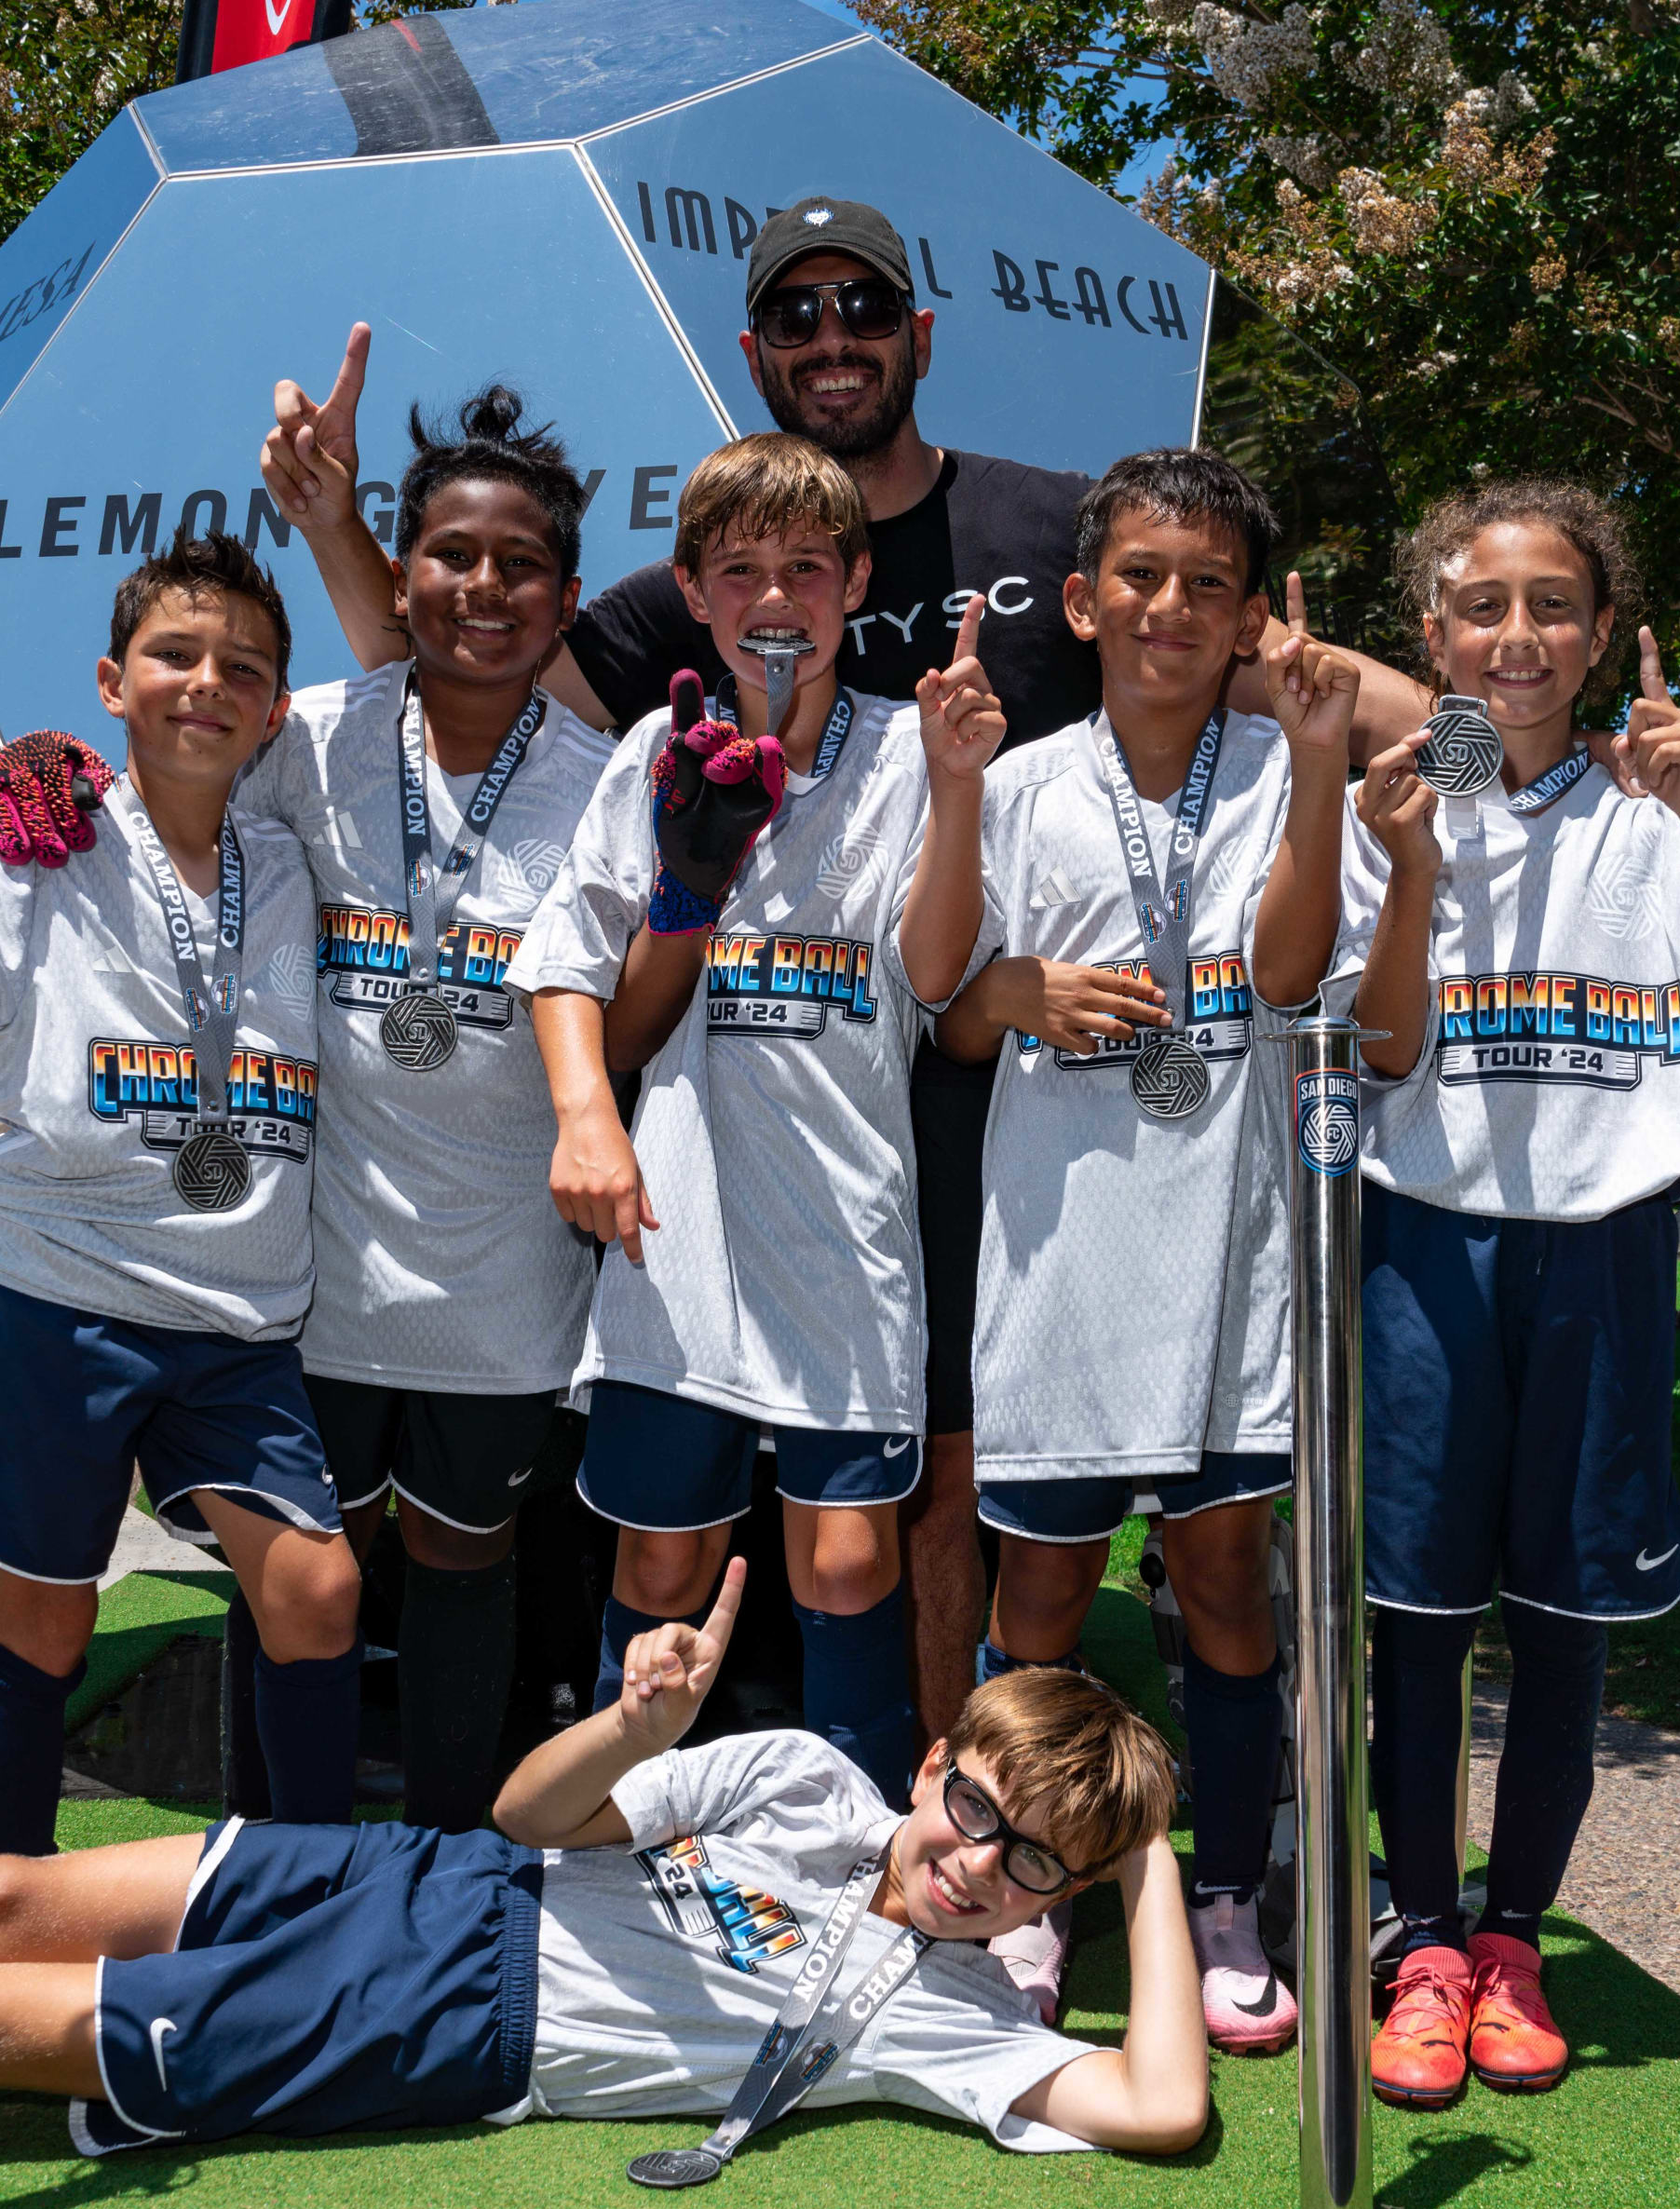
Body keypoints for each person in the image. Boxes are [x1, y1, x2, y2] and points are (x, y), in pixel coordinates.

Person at [264, 198, 1432, 1745]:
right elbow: (474, 676)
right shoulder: (660, 715)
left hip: (958, 1137)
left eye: (863, 308)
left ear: (916, 336)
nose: (834, 337)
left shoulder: (1052, 530)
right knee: (684, 1549)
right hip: (718, 1180)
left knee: (910, 1517)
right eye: (797, 315)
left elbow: (1236, 644)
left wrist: (1508, 722)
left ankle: (917, 1817)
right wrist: (337, 530)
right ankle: (636, 1830)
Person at [0, 1565, 1211, 2167]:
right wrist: (635, 1723)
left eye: (1030, 1867)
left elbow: (1157, 2108)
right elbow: (529, 1818)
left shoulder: (953, 2015)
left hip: (449, 2021)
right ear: (934, 1761)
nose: (978, 1864)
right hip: (433, 1882)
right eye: (977, 1807)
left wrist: (1145, 1864)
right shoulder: (800, 1782)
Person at [1293, 481, 1680, 2110]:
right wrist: (1409, 870)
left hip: (1605, 1244)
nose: (1520, 635)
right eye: (1485, 606)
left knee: (1567, 1615)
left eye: (1554, 604)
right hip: (1431, 1238)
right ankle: (1424, 1941)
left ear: (1602, 629)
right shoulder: (1392, 805)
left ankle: (1514, 1936)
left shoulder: (1657, 804)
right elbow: (1382, 1048)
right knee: (1420, 1617)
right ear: (1433, 634)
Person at [0, 535, 361, 1858]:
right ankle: (7, 1896)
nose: (208, 681)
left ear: (275, 709)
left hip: (240, 1312)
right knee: (48, 1619)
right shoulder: (38, 842)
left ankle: (304, 1900)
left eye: (244, 666)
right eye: (174, 654)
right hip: (57, 1294)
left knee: (316, 1591)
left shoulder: (291, 864)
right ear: (110, 683)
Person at [507, 430, 999, 1809]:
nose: (774, 597)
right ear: (691, 591)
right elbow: (565, 958)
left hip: (844, 1226)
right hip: (684, 1226)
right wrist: (587, 1119)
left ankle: (853, 1868)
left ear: (857, 582)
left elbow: (937, 976)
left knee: (845, 1562)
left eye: (806, 567)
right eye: (739, 571)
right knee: (663, 1561)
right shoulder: (659, 750)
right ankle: (613, 1848)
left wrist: (960, 787)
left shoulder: (910, 749)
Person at [949, 450, 1361, 2046]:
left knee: (1225, 1586)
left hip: (1228, 1256)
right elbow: (946, 1003)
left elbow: (1291, 974)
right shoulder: (1022, 781)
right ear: (1082, 599)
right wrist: (1018, 990)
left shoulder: (1283, 765)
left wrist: (1317, 765)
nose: (1170, 606)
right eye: (1140, 575)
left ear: (1252, 616)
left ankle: (1227, 1892)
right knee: (1043, 1594)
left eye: (1209, 583)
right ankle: (1026, 1889)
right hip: (1062, 1257)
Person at [233, 388, 619, 1830]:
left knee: (466, 1558)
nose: (484, 587)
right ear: (399, 578)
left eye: (521, 564)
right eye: (452, 554)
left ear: (564, 600)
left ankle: (450, 1862)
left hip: (501, 1270)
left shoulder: (605, 786)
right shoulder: (307, 738)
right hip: (314, 1263)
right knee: (301, 1568)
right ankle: (278, 1860)